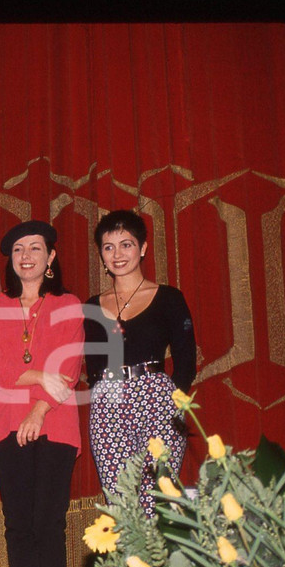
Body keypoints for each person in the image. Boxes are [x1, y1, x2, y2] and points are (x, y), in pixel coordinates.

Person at [0, 221, 83, 567]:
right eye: (18, 248)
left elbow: (69, 366)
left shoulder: (69, 304)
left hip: (56, 426)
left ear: (51, 257)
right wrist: (41, 376)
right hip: (5, 425)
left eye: (35, 248)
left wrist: (38, 409)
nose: (26, 256)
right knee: (19, 526)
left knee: (49, 525)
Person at [83, 209, 196, 517]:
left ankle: (163, 565)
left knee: (161, 499)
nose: (117, 254)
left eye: (126, 244)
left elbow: (186, 359)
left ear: (143, 248)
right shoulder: (91, 306)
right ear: (101, 255)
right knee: (122, 505)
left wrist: (173, 404)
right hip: (108, 405)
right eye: (109, 247)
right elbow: (90, 361)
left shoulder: (169, 298)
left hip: (158, 400)